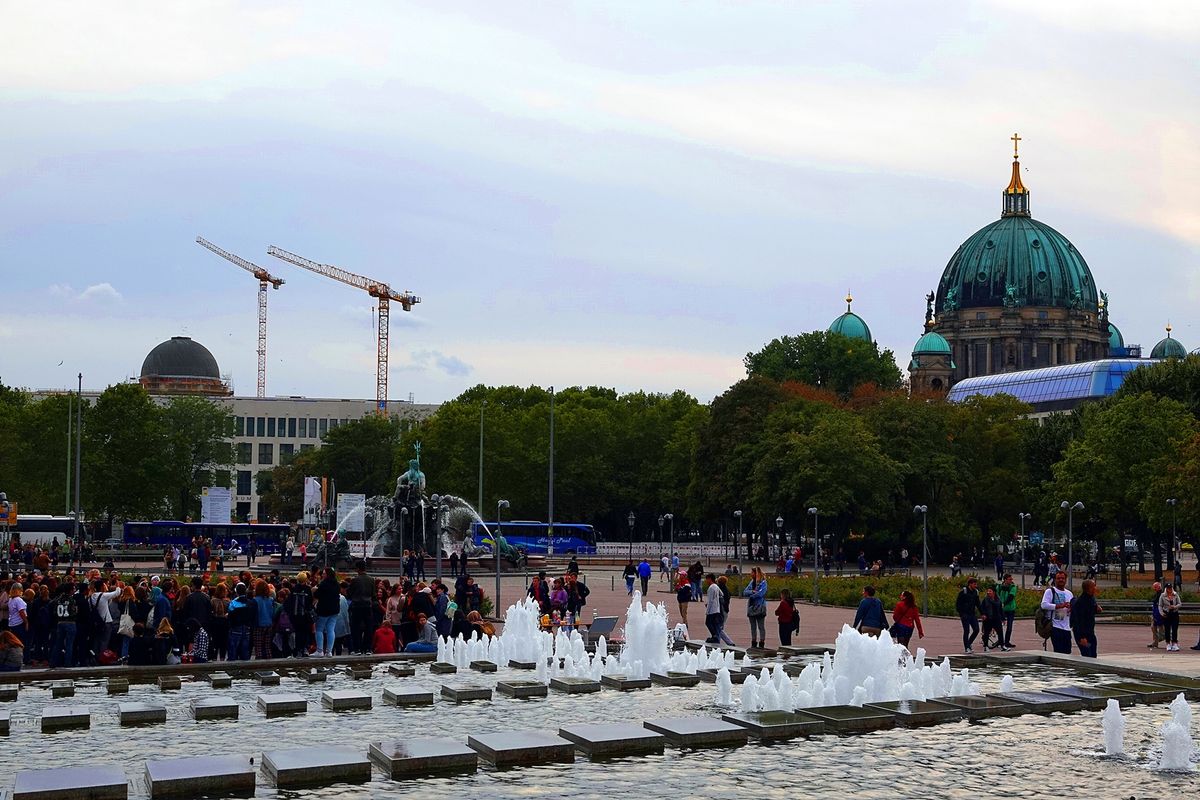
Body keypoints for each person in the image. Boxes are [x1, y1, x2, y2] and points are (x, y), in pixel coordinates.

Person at [1039, 571, 1074, 655]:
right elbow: (1044, 605)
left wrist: (1071, 608)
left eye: (1063, 578)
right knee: (1058, 652)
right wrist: (1059, 606)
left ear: (1066, 580)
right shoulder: (1050, 591)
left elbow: (1073, 606)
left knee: (1067, 652)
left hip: (1066, 627)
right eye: (1058, 578)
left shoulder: (1069, 593)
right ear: (1055, 580)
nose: (1061, 580)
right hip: (1055, 627)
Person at [347, 560, 375, 655]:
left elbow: (349, 593)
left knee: (355, 628)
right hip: (367, 605)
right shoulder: (371, 579)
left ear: (357, 569)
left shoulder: (355, 580)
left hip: (357, 606)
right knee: (369, 628)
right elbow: (373, 594)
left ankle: (357, 649)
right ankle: (367, 648)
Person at [1071, 579, 1101, 657]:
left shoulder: (1091, 598)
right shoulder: (1081, 602)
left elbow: (1091, 610)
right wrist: (1082, 637)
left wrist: (1097, 609)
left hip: (1090, 633)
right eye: (1094, 586)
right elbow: (1078, 620)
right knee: (1087, 654)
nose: (1095, 588)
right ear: (1088, 588)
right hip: (1082, 636)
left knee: (1093, 654)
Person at [742, 567, 768, 648]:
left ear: (756, 573)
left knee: (761, 626)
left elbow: (761, 593)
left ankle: (762, 642)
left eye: (752, 572)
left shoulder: (763, 583)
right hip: (751, 607)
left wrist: (752, 595)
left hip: (760, 607)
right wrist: (752, 592)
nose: (751, 574)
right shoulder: (752, 582)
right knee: (753, 627)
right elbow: (745, 592)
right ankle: (753, 642)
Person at [956, 578, 982, 653]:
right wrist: (961, 614)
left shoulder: (975, 592)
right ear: (970, 584)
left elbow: (978, 604)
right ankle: (966, 648)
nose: (976, 585)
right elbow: (958, 604)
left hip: (972, 614)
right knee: (966, 630)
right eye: (974, 584)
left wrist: (982, 613)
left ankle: (969, 643)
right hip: (965, 615)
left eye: (976, 584)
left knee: (976, 629)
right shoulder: (963, 592)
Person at [1159, 584, 1182, 651]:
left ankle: (1174, 643)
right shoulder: (1162, 595)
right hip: (1166, 614)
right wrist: (1162, 613)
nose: (1170, 589)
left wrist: (1174, 607)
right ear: (1166, 588)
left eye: (1171, 588)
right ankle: (1168, 643)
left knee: (1175, 629)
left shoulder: (1175, 594)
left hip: (1174, 613)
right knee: (1167, 629)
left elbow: (1180, 603)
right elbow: (1160, 605)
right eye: (1168, 588)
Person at [998, 573, 1018, 650]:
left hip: (1010, 609)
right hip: (1001, 610)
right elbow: (996, 595)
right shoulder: (999, 586)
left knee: (1009, 627)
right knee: (999, 626)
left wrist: (1004, 603)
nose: (1011, 580)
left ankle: (1006, 641)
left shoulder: (1013, 587)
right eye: (1009, 579)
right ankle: (1001, 641)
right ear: (1005, 580)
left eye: (1011, 579)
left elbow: (1011, 596)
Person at [980, 587, 1003, 652]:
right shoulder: (986, 600)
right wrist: (983, 614)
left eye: (990, 591)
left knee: (1000, 632)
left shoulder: (998, 600)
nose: (988, 592)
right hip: (988, 618)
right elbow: (982, 608)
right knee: (986, 632)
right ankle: (986, 646)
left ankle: (1002, 645)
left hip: (996, 618)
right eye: (988, 591)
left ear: (994, 592)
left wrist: (1003, 618)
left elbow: (1000, 609)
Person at [702, 573, 722, 644]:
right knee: (713, 623)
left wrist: (707, 610)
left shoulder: (711, 588)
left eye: (707, 579)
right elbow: (721, 594)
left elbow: (710, 600)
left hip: (712, 609)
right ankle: (715, 636)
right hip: (717, 608)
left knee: (708, 623)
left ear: (710, 579)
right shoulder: (716, 586)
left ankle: (714, 636)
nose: (706, 581)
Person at [1148, 582, 1164, 649]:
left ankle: (1160, 639)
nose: (1154, 589)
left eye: (1155, 587)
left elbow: (1157, 603)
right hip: (1156, 613)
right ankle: (1155, 642)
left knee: (1160, 628)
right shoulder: (1158, 594)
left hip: (1159, 613)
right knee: (1153, 627)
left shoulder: (1161, 594)